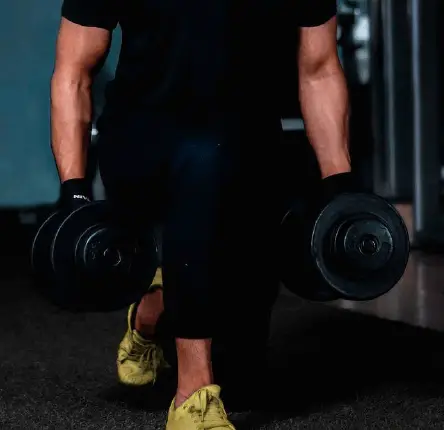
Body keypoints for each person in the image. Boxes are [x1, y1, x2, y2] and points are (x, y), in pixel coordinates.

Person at [50, 0, 350, 428]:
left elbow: (319, 69)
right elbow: (73, 72)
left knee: (243, 380)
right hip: (143, 138)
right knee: (202, 166)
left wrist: (339, 186)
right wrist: (74, 191)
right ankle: (193, 396)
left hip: (247, 143)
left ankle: (154, 305)